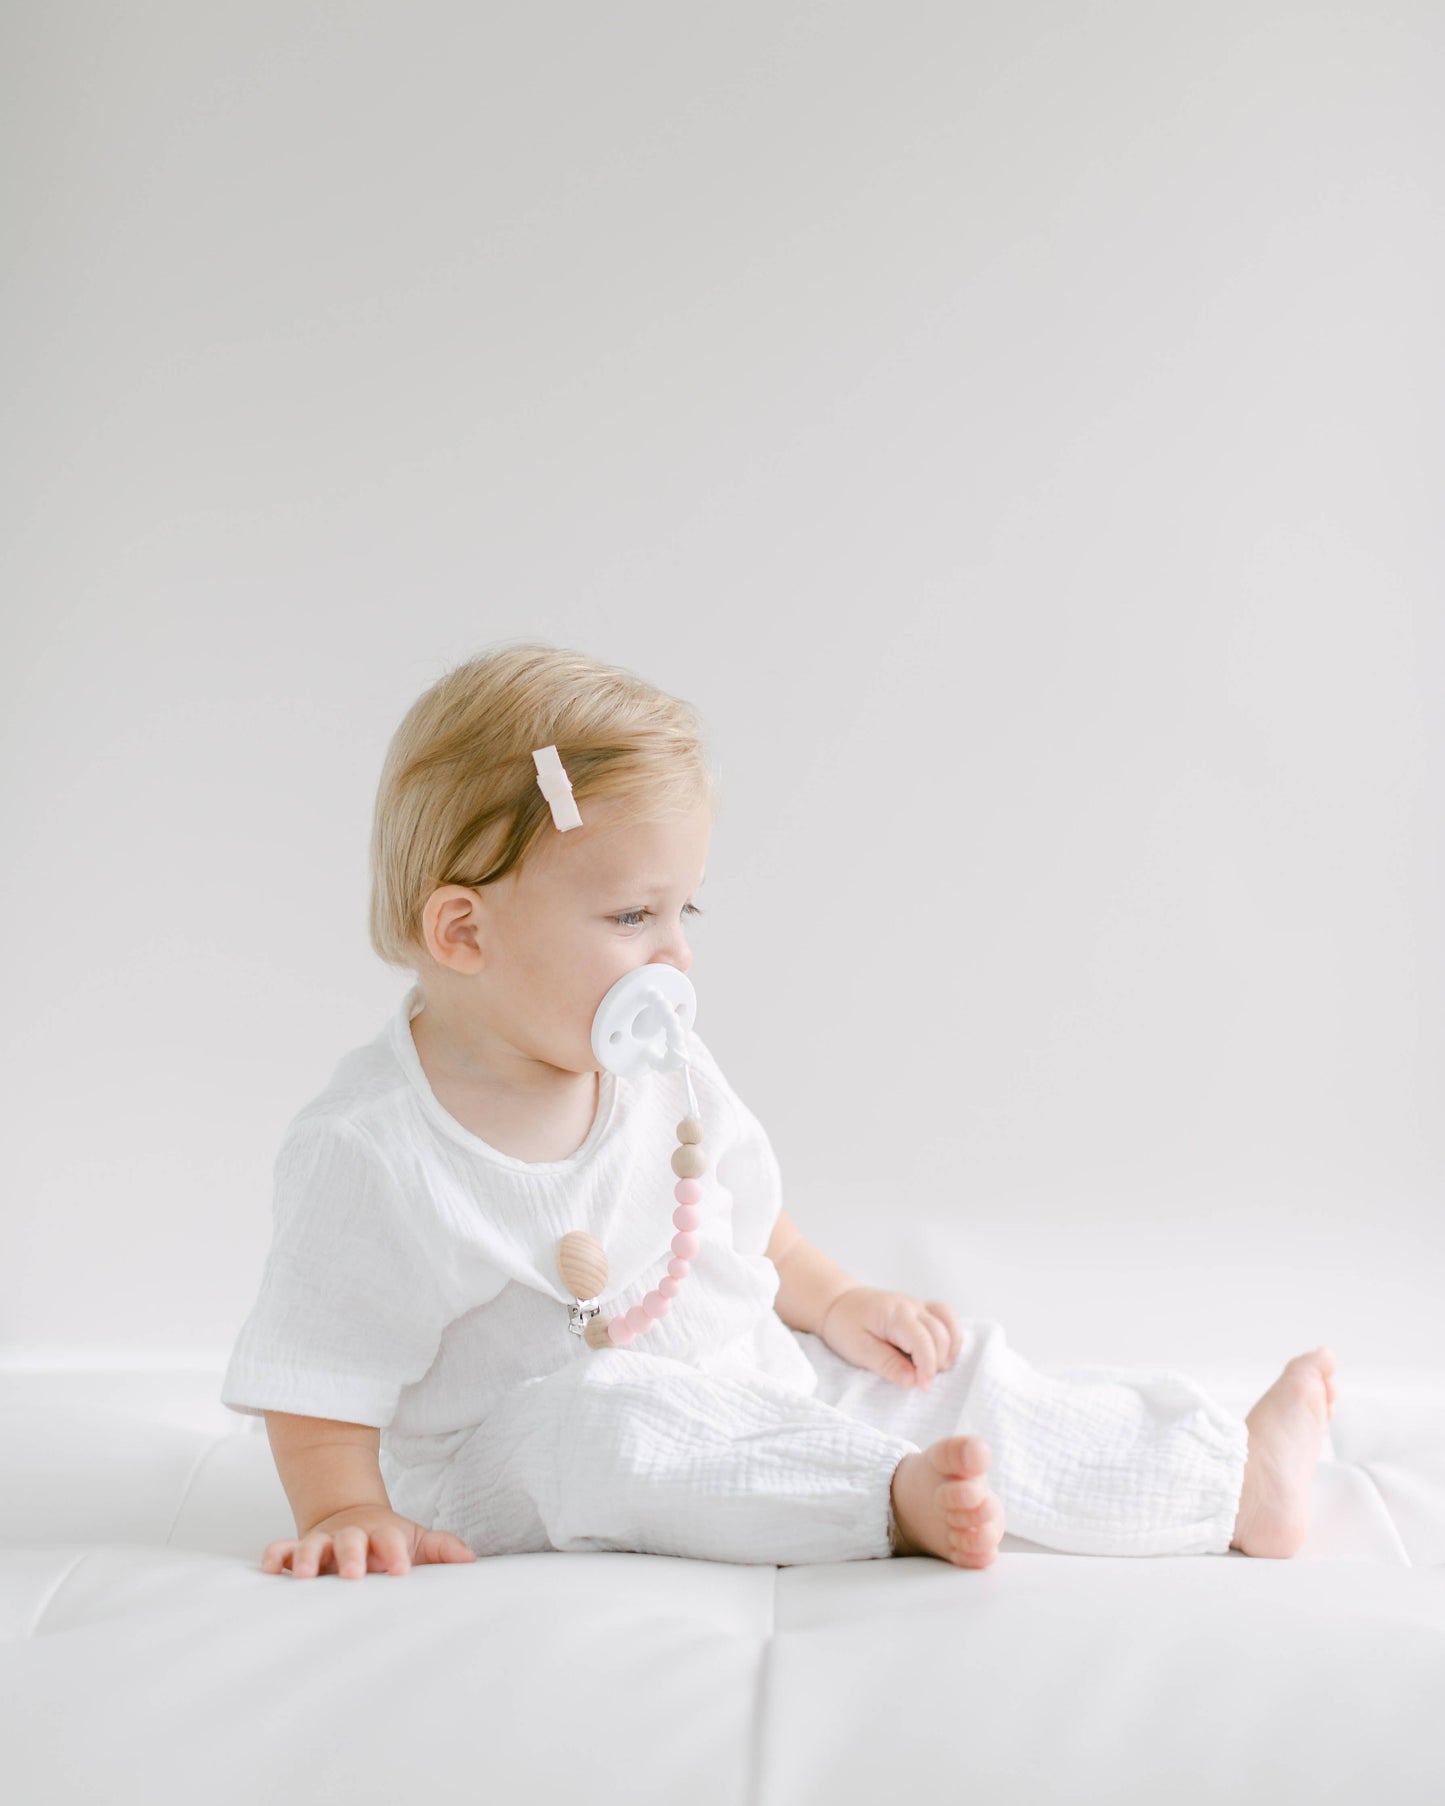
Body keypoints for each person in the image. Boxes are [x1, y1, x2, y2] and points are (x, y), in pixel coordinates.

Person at [220, 640, 1339, 1580]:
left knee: (939, 1375)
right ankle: (882, 1503)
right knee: (611, 1414)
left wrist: (836, 1300)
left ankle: (1223, 1481)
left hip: (742, 1371)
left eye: (681, 907)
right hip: (519, 1457)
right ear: (464, 933)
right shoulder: (373, 1148)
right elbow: (318, 1373)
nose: (675, 952)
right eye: (628, 916)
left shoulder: (659, 1068)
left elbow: (747, 1223)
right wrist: (338, 1512)